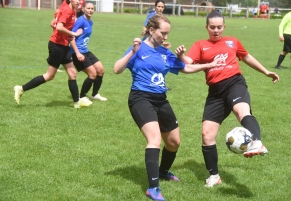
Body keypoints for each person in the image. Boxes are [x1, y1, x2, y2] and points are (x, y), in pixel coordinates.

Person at [113, 14, 221, 201]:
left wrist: (209, 65)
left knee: (173, 142)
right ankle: (153, 188)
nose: (165, 37)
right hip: (140, 98)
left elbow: (185, 68)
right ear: (152, 30)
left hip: (161, 99)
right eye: (163, 33)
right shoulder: (138, 48)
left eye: (167, 34)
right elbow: (117, 69)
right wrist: (132, 51)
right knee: (154, 139)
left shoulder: (164, 52)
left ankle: (163, 171)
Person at [177, 11, 279, 188]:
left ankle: (257, 142)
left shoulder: (232, 41)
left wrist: (265, 71)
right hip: (215, 92)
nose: (216, 30)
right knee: (207, 134)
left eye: (219, 27)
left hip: (234, 83)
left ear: (224, 26)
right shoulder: (201, 45)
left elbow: (246, 56)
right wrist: (180, 55)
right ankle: (214, 176)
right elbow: (188, 61)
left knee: (241, 111)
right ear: (207, 27)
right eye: (212, 27)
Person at [14, 0, 93, 108]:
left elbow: (53, 23)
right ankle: (21, 88)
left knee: (72, 73)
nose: (79, 2)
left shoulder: (67, 7)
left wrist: (65, 33)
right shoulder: (67, 10)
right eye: (77, 0)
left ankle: (76, 102)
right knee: (49, 76)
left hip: (64, 46)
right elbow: (59, 27)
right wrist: (73, 33)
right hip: (57, 46)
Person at [69, 1, 107, 101]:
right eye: (88, 8)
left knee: (101, 70)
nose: (90, 10)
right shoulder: (80, 21)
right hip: (77, 52)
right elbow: (71, 37)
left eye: (92, 9)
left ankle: (94, 94)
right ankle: (81, 96)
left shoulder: (90, 22)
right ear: (83, 9)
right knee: (92, 74)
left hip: (85, 51)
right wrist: (77, 53)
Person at [275, 3, 291, 70]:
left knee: (285, 51)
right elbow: (281, 25)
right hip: (288, 35)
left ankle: (278, 65)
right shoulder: (288, 16)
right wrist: (281, 35)